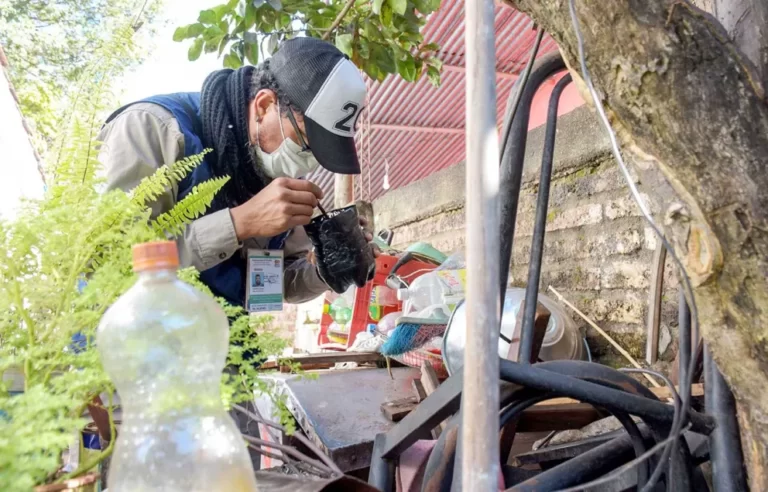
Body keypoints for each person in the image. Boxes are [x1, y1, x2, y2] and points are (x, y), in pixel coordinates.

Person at [98, 37, 376, 308]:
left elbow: (272, 285)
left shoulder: (274, 173)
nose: (309, 162)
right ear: (264, 105)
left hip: (221, 343)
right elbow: (110, 266)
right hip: (135, 345)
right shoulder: (151, 129)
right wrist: (238, 224)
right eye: (306, 141)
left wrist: (328, 268)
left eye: (323, 152)